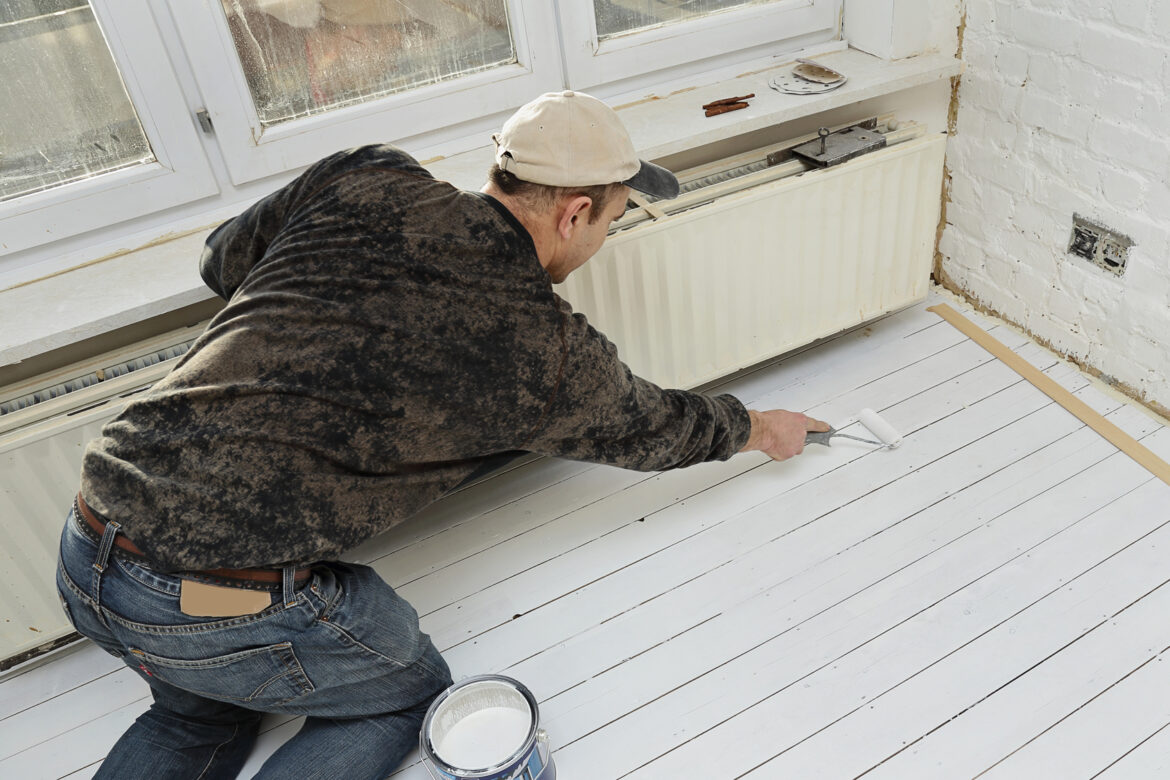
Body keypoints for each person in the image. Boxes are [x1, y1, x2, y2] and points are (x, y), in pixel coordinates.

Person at [56, 90, 829, 779]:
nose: (602, 242)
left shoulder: (365, 175)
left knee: (199, 710)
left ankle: (198, 687)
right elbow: (658, 429)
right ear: (574, 214)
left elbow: (222, 262)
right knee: (405, 698)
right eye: (614, 220)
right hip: (207, 602)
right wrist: (761, 427)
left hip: (90, 539)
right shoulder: (541, 348)